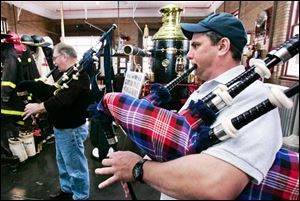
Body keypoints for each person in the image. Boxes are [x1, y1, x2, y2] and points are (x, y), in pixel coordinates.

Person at [94, 13, 282, 199]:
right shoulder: (204, 89)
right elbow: (183, 149)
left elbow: (217, 185)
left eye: (196, 46)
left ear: (222, 46)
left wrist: (138, 168)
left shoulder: (254, 97)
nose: (189, 54)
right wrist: (143, 161)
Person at [22, 43, 91, 200]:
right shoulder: (67, 74)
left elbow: (62, 100)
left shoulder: (80, 76)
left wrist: (39, 107)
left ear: (64, 56)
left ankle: (81, 196)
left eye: (55, 58)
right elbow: (54, 95)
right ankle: (67, 191)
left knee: (75, 166)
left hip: (71, 130)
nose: (53, 62)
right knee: (63, 163)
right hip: (62, 129)